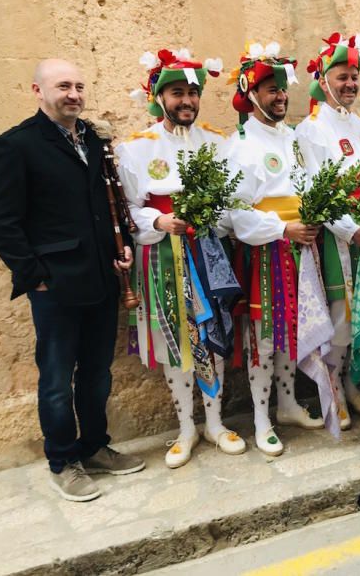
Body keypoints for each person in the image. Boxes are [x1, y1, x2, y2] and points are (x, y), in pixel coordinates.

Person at [0, 59, 144, 502]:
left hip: (102, 277)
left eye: (78, 86)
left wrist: (123, 244)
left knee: (96, 373)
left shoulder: (91, 138)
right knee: (56, 379)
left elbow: (108, 202)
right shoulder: (14, 147)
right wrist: (34, 276)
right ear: (38, 90)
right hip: (54, 286)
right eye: (62, 86)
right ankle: (62, 459)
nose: (73, 94)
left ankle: (94, 447)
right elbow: (0, 221)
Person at [117, 48, 247, 468]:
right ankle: (186, 428)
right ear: (159, 97)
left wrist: (218, 220)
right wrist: (161, 221)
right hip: (164, 257)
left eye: (192, 92)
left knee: (213, 332)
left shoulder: (216, 142)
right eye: (177, 93)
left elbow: (232, 201)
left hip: (209, 252)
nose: (187, 101)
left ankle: (215, 422)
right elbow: (130, 210)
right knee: (176, 340)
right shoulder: (137, 149)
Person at [223, 42, 335, 455]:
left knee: (292, 331)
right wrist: (283, 229)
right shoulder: (239, 145)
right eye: (270, 88)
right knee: (265, 337)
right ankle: (259, 418)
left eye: (282, 88)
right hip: (268, 250)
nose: (280, 95)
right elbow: (238, 214)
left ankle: (287, 403)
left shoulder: (292, 138)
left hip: (301, 245)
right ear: (251, 95)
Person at [294, 32, 360, 427]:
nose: (350, 83)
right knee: (339, 316)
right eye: (342, 76)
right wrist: (350, 228)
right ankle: (331, 389)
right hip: (338, 239)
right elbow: (315, 191)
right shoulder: (311, 130)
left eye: (354, 76)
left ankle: (352, 382)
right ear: (323, 79)